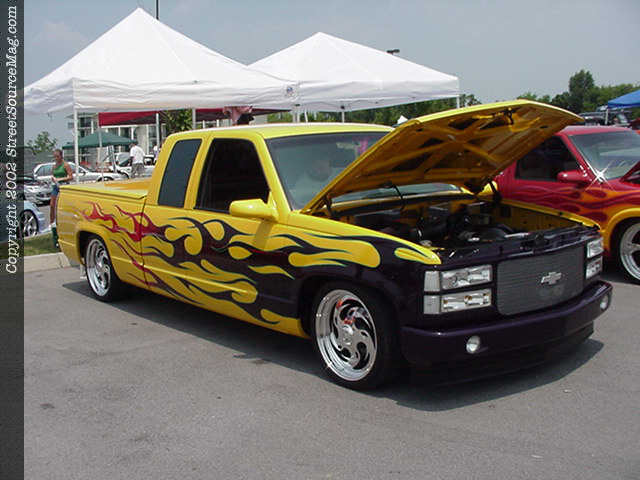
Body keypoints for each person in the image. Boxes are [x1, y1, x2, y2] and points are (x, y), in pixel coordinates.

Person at [50, 149, 73, 248]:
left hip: (63, 186)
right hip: (55, 187)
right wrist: (53, 179)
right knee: (52, 205)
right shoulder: (54, 166)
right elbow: (53, 175)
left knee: (61, 208)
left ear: (61, 156)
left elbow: (71, 176)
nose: (56, 158)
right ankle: (52, 225)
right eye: (54, 156)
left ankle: (64, 225)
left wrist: (60, 179)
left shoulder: (65, 165)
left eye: (57, 156)